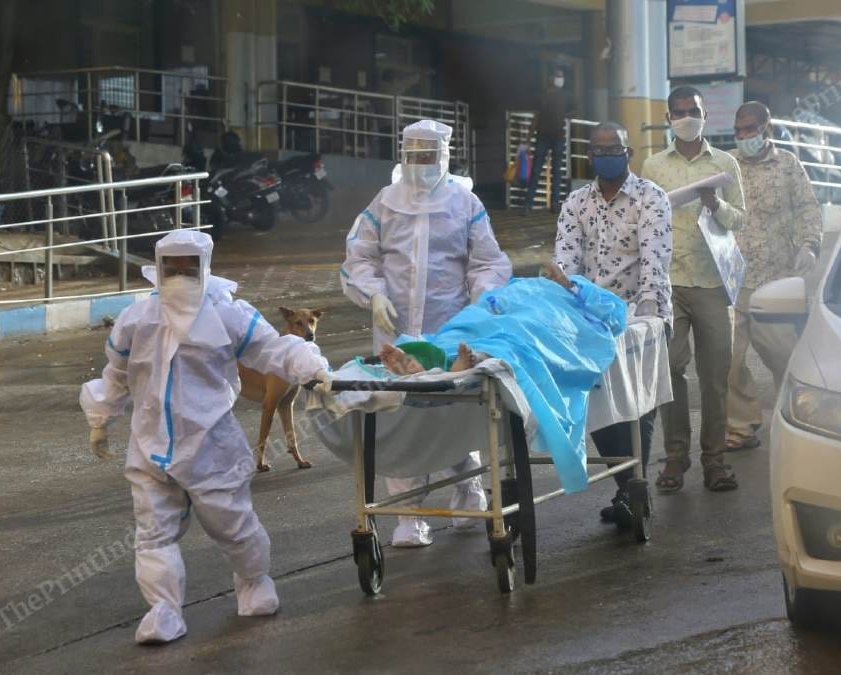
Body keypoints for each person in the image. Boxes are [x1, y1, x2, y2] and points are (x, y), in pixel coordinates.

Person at [80, 230, 332, 644]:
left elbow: (274, 349)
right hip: (149, 446)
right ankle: (163, 610)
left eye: (188, 266)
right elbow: (117, 374)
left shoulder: (228, 314)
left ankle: (253, 582)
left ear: (204, 266)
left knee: (232, 523)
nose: (179, 274)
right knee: (152, 533)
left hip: (211, 443)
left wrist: (311, 367)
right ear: (159, 268)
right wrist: (101, 416)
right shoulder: (137, 318)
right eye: (171, 267)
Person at [341, 119, 513, 547]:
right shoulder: (384, 203)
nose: (419, 164)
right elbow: (358, 258)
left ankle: (468, 485)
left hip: (447, 327)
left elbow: (488, 262)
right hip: (394, 330)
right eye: (412, 155)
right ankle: (409, 514)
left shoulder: (464, 203)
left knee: (449, 411)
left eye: (427, 155)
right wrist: (374, 295)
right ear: (402, 154)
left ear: (444, 156)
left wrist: (481, 301)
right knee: (398, 416)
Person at [375, 263, 627, 494]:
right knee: (478, 325)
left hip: (549, 317)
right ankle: (443, 358)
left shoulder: (582, 300)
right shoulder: (525, 285)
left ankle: (452, 359)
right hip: (504, 306)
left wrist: (570, 285)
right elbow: (490, 300)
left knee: (520, 334)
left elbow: (614, 316)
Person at [552, 122, 672, 526]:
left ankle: (635, 488)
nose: (607, 155)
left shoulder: (650, 198)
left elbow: (655, 260)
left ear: (629, 152)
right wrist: (565, 302)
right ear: (589, 157)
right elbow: (567, 264)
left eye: (615, 148)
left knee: (638, 405)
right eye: (599, 149)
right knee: (598, 405)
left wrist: (650, 317)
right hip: (592, 316)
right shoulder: (576, 204)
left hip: (641, 312)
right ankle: (628, 487)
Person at [641, 85, 746, 494]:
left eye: (694, 111)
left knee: (716, 376)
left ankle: (715, 461)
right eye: (679, 112)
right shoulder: (653, 166)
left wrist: (714, 204)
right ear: (669, 118)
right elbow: (645, 220)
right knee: (668, 371)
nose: (687, 117)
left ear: (706, 115)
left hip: (714, 281)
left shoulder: (724, 164)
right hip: (669, 282)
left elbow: (740, 219)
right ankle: (675, 455)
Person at [726, 102, 822, 450]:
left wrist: (809, 245)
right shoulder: (726, 165)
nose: (743, 136)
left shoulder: (788, 166)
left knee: (783, 356)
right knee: (729, 360)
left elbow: (808, 208)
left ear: (767, 129)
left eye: (749, 129)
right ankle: (740, 426)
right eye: (738, 130)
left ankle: (793, 421)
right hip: (733, 280)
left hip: (777, 280)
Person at [524, 66, 573, 214]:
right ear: (551, 78)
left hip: (558, 137)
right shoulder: (542, 95)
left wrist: (568, 115)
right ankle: (528, 205)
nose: (560, 79)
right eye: (558, 76)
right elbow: (536, 117)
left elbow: (575, 109)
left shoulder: (567, 96)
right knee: (536, 170)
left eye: (562, 76)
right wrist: (529, 137)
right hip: (543, 137)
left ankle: (554, 204)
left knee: (556, 172)